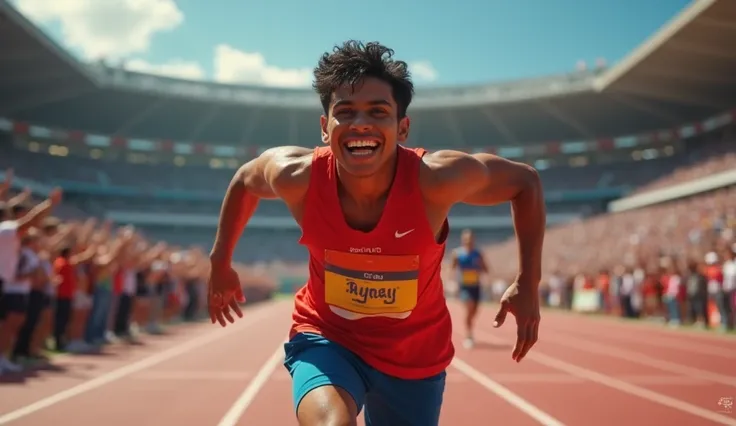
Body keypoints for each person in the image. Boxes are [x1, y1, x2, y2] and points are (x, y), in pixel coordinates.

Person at [207, 40, 545, 426]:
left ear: (403, 127)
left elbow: (525, 182)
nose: (360, 123)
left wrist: (528, 281)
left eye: (378, 112)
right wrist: (220, 260)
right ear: (324, 127)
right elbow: (244, 181)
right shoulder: (297, 176)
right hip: (327, 335)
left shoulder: (437, 180)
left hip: (414, 355)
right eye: (345, 112)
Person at [450, 229, 490, 349]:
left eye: (470, 238)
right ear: (463, 240)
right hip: (464, 286)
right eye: (466, 239)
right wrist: (453, 282)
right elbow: (452, 269)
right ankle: (469, 335)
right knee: (469, 308)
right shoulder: (457, 253)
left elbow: (485, 268)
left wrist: (481, 271)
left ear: (474, 239)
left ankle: (469, 324)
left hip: (476, 286)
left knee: (474, 311)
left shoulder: (478, 253)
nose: (468, 241)